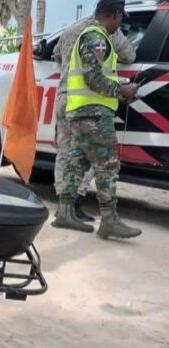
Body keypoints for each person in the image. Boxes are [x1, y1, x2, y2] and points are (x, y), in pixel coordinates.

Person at [52, 0, 141, 239]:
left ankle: (64, 212)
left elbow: (60, 58)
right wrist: (122, 91)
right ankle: (110, 220)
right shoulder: (96, 37)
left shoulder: (86, 33)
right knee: (107, 165)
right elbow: (93, 78)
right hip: (92, 112)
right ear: (114, 14)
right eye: (121, 17)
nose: (120, 22)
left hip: (81, 109)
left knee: (77, 162)